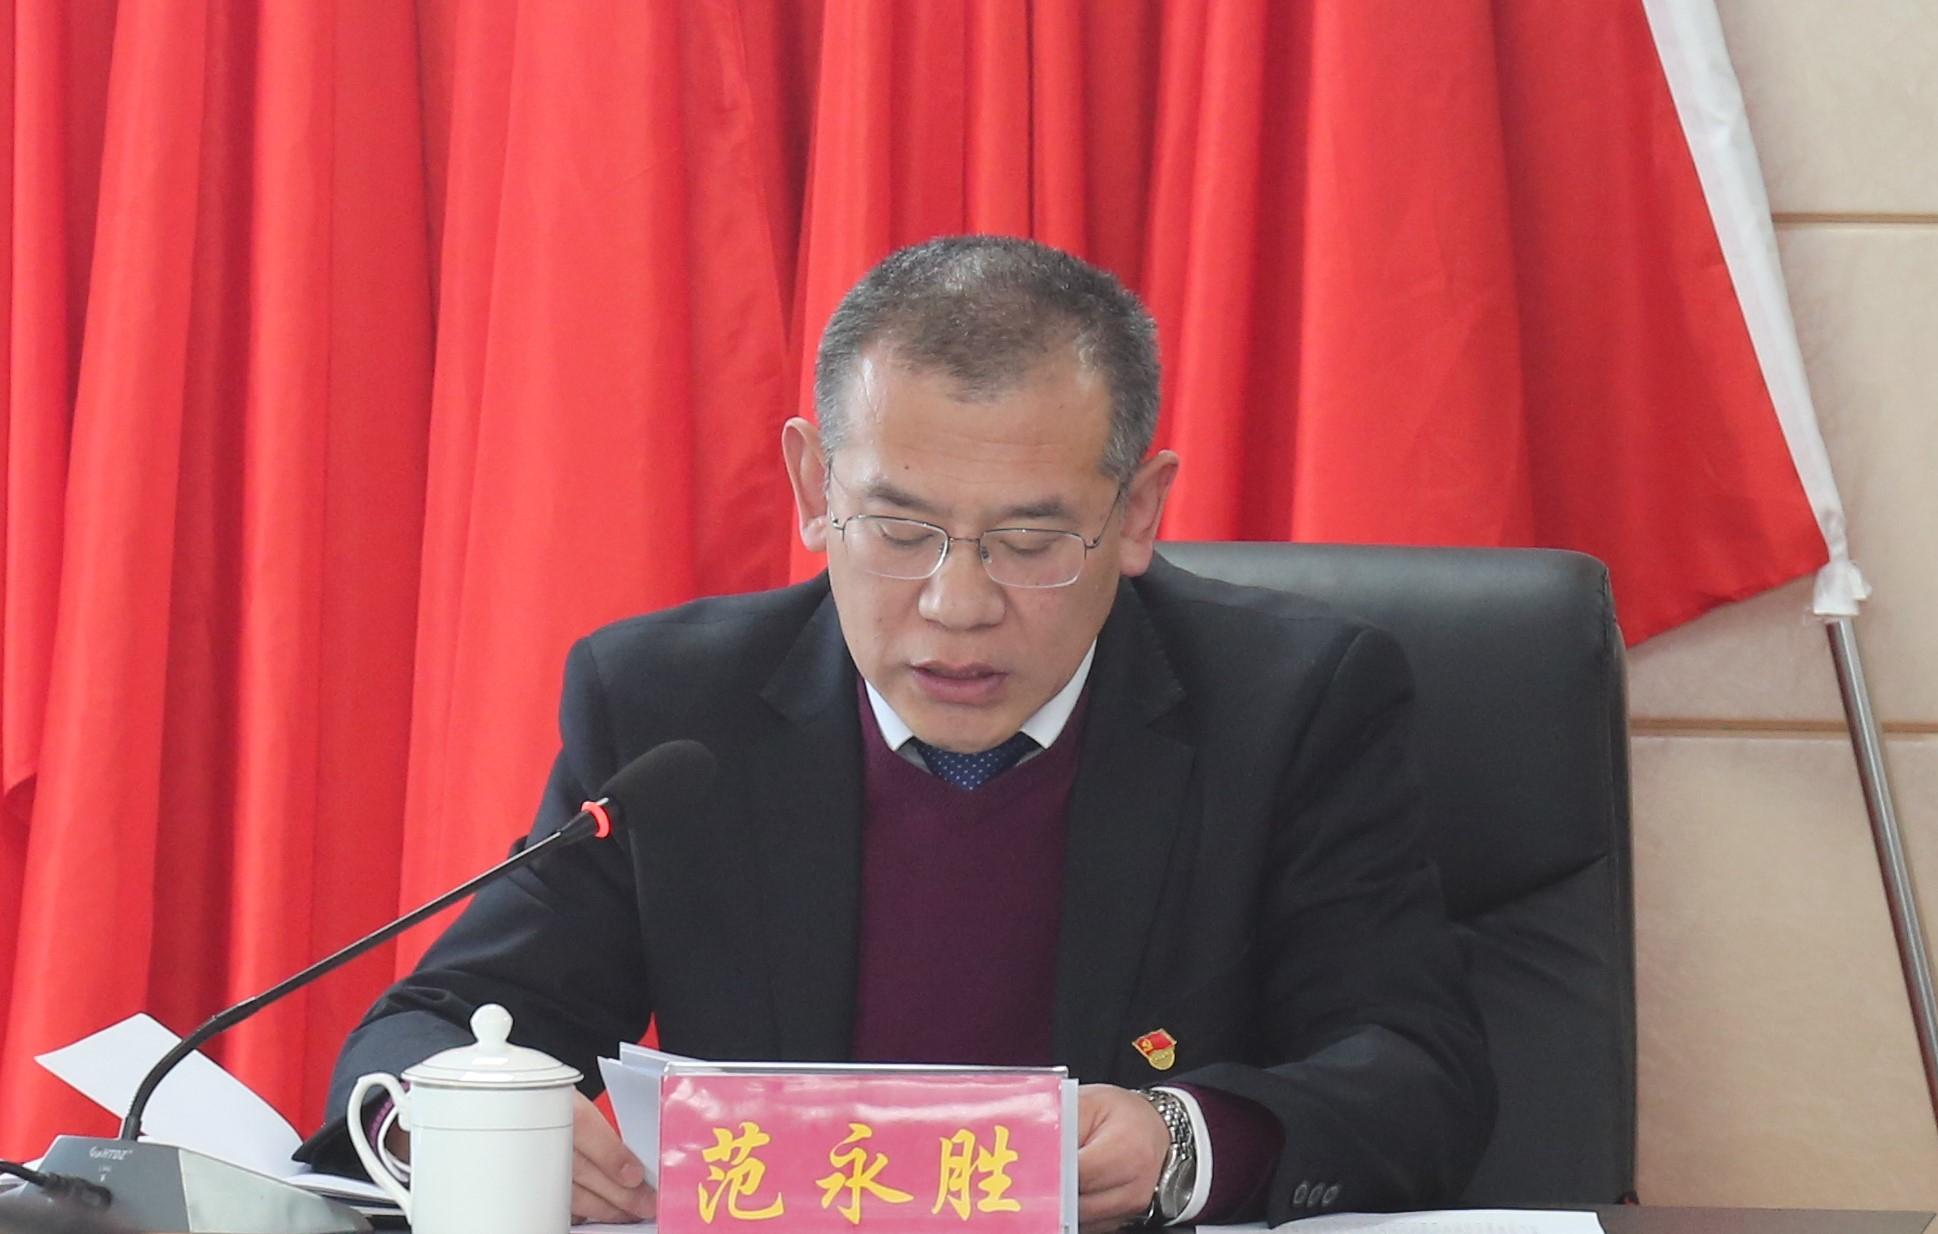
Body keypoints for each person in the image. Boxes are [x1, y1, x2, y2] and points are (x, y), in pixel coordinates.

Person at [298, 236, 1494, 1229]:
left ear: (1137, 512)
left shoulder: (1291, 704)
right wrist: (457, 1121)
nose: (956, 605)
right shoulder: (671, 708)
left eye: (1029, 541)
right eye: (901, 531)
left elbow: (1416, 1073)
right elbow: (437, 1024)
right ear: (815, 488)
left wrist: (1183, 1144)